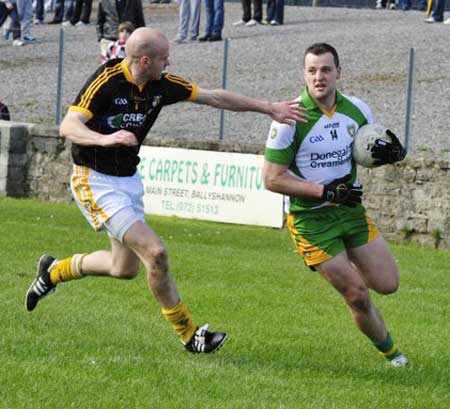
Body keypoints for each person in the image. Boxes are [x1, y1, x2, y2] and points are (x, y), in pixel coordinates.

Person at [24, 27, 307, 354]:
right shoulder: (107, 80)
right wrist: (106, 138)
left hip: (128, 179)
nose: (168, 61)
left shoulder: (162, 85)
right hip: (95, 179)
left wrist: (269, 107)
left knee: (123, 269)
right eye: (163, 57)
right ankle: (191, 335)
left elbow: (214, 96)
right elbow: (68, 126)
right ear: (145, 60)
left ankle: (53, 271)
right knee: (155, 252)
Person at [263, 43, 409, 367]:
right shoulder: (290, 118)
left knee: (388, 284)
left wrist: (392, 155)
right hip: (312, 222)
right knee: (357, 294)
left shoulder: (358, 110)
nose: (319, 77)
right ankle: (394, 356)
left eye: (326, 70)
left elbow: (366, 151)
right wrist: (324, 191)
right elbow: (271, 179)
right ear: (304, 74)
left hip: (351, 212)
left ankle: (346, 265)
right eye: (312, 70)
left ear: (338, 73)